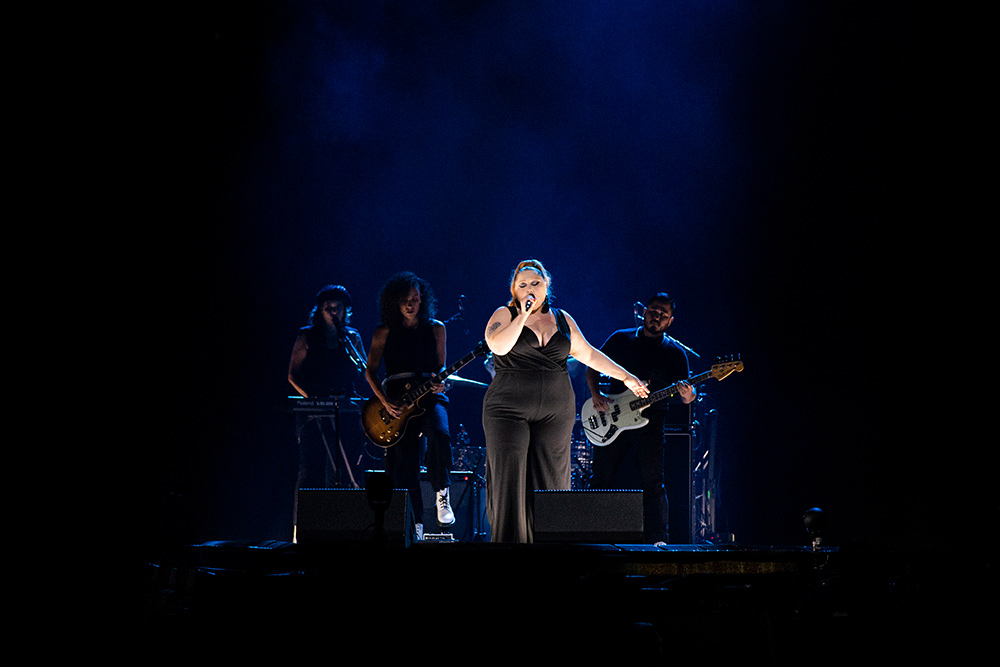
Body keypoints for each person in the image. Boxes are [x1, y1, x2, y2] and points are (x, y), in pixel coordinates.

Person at [482, 259, 649, 543]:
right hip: (508, 408)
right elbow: (497, 345)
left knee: (552, 479)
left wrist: (626, 376)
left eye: (536, 283)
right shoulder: (505, 313)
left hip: (556, 410)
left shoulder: (562, 319)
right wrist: (522, 316)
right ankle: (509, 553)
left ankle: (551, 555)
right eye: (522, 285)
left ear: (547, 286)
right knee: (510, 477)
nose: (529, 289)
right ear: (514, 290)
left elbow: (589, 354)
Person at [585, 293, 696, 545]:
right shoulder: (620, 338)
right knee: (600, 478)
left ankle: (658, 541)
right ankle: (591, 535)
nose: (657, 317)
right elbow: (591, 366)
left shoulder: (675, 353)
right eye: (654, 311)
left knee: (653, 483)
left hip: (651, 424)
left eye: (663, 315)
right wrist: (595, 394)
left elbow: (688, 396)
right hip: (612, 419)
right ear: (644, 311)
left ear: (670, 321)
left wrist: (689, 394)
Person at [365, 271, 454, 537]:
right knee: (404, 465)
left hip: (428, 394)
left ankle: (442, 492)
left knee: (440, 433)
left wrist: (442, 381)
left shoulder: (437, 328)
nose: (410, 304)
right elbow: (370, 371)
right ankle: (414, 526)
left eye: (415, 299)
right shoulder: (384, 331)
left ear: (422, 300)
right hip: (396, 400)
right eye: (405, 299)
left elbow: (441, 367)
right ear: (395, 302)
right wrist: (384, 401)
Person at [287, 284, 369, 495]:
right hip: (313, 410)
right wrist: (311, 397)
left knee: (343, 467)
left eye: (337, 308)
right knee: (310, 467)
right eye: (328, 308)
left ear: (345, 310)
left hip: (345, 408)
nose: (333, 313)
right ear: (320, 311)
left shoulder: (352, 337)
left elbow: (365, 371)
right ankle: (301, 524)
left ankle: (338, 521)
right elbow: (292, 374)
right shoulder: (307, 335)